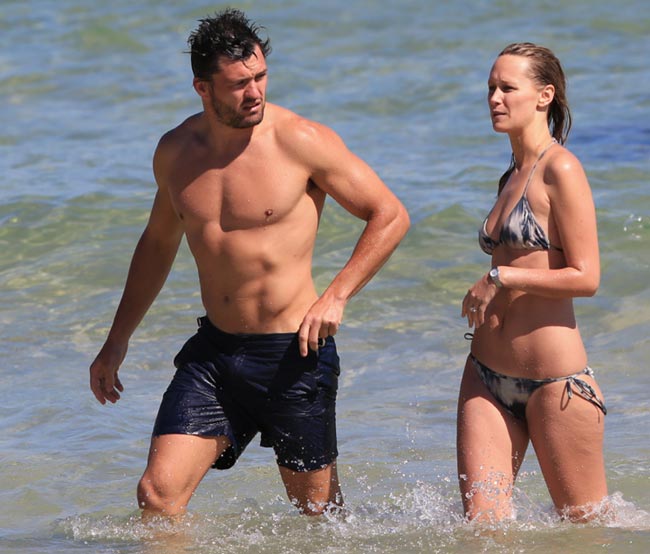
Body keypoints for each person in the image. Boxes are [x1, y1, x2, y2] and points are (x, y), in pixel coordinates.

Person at [89, 8, 409, 518]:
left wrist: (336, 296)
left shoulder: (301, 141)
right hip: (215, 355)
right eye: (239, 84)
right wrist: (116, 340)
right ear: (203, 88)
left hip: (294, 354)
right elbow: (157, 245)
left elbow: (389, 214)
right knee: (157, 496)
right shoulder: (175, 152)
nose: (255, 92)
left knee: (319, 519)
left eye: (260, 77)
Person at [457, 42, 608, 523]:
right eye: (490, 88)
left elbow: (587, 277)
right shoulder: (511, 175)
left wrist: (501, 277)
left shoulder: (561, 168)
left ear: (545, 95)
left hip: (555, 385)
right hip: (485, 376)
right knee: (482, 533)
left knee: (587, 532)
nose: (494, 98)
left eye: (507, 88)